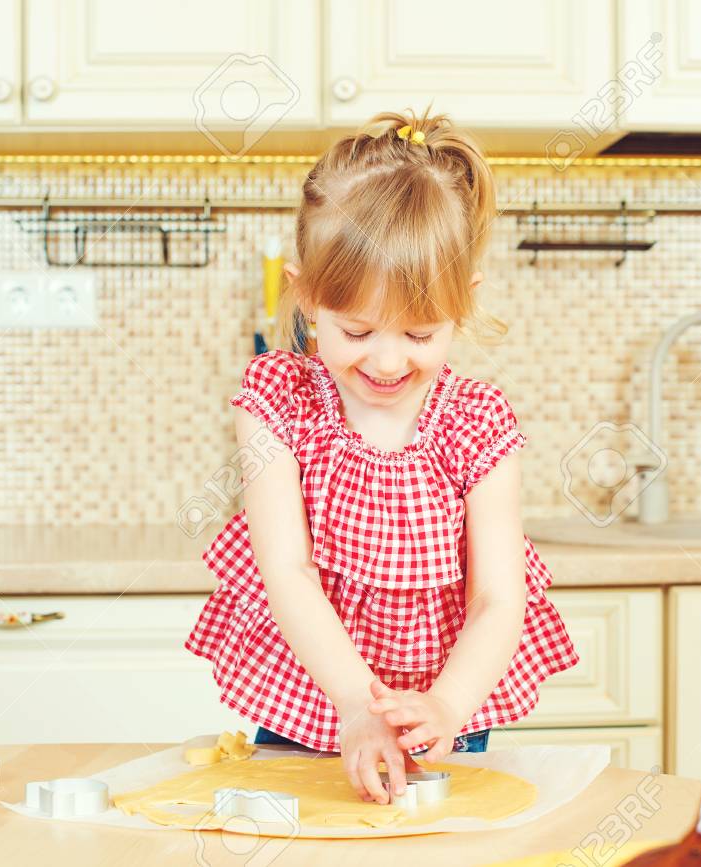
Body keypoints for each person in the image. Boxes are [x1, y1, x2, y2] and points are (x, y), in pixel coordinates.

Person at [184, 108, 578, 806]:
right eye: (358, 329)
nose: (390, 360)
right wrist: (356, 704)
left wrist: (449, 706)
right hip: (310, 699)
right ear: (307, 295)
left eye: (422, 333)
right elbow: (287, 569)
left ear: (465, 304)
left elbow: (497, 596)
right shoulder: (277, 400)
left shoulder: (479, 421)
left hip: (441, 699)